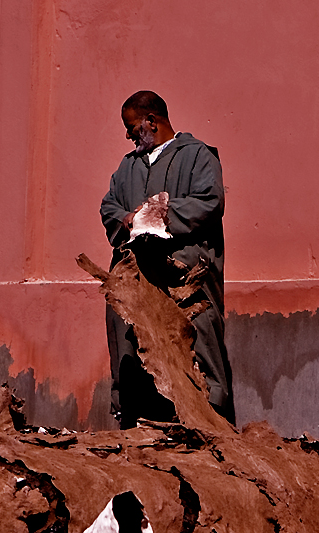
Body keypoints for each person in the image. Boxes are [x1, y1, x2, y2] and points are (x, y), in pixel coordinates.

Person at [100, 90, 234, 428]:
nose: (129, 135)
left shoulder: (197, 156)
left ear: (152, 121)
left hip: (183, 273)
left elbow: (209, 201)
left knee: (196, 342)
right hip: (135, 276)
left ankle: (208, 421)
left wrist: (156, 215)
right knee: (130, 346)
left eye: (132, 128)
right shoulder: (127, 167)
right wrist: (128, 220)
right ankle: (136, 422)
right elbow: (109, 207)